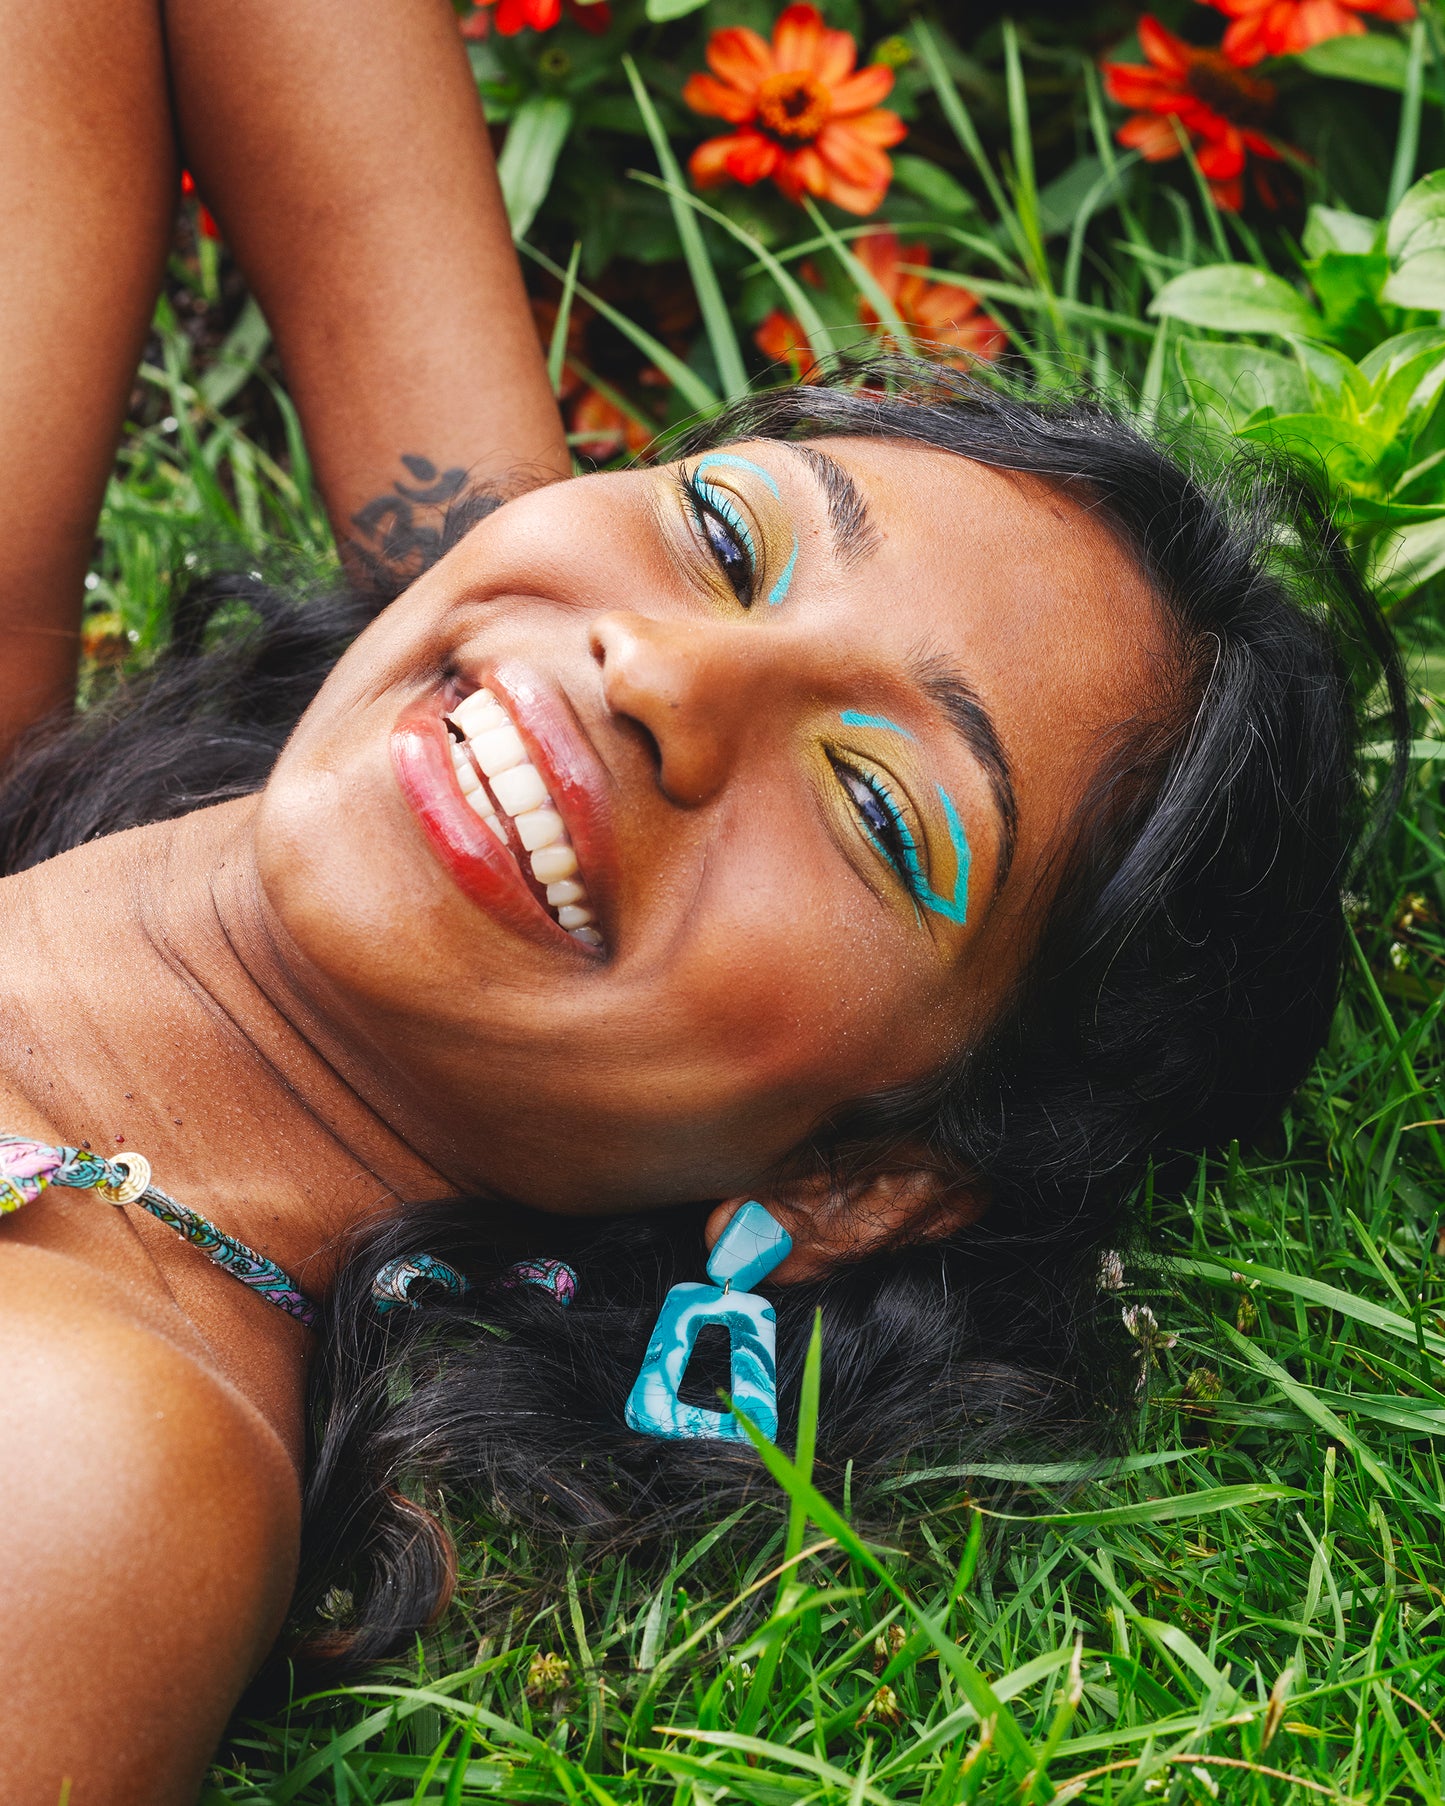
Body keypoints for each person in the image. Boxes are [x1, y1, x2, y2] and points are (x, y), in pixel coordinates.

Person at [0, 1, 1406, 1800]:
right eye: (734, 539)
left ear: (852, 1177)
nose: (656, 677)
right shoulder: (541, 630)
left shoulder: (87, 1445)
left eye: (873, 808)